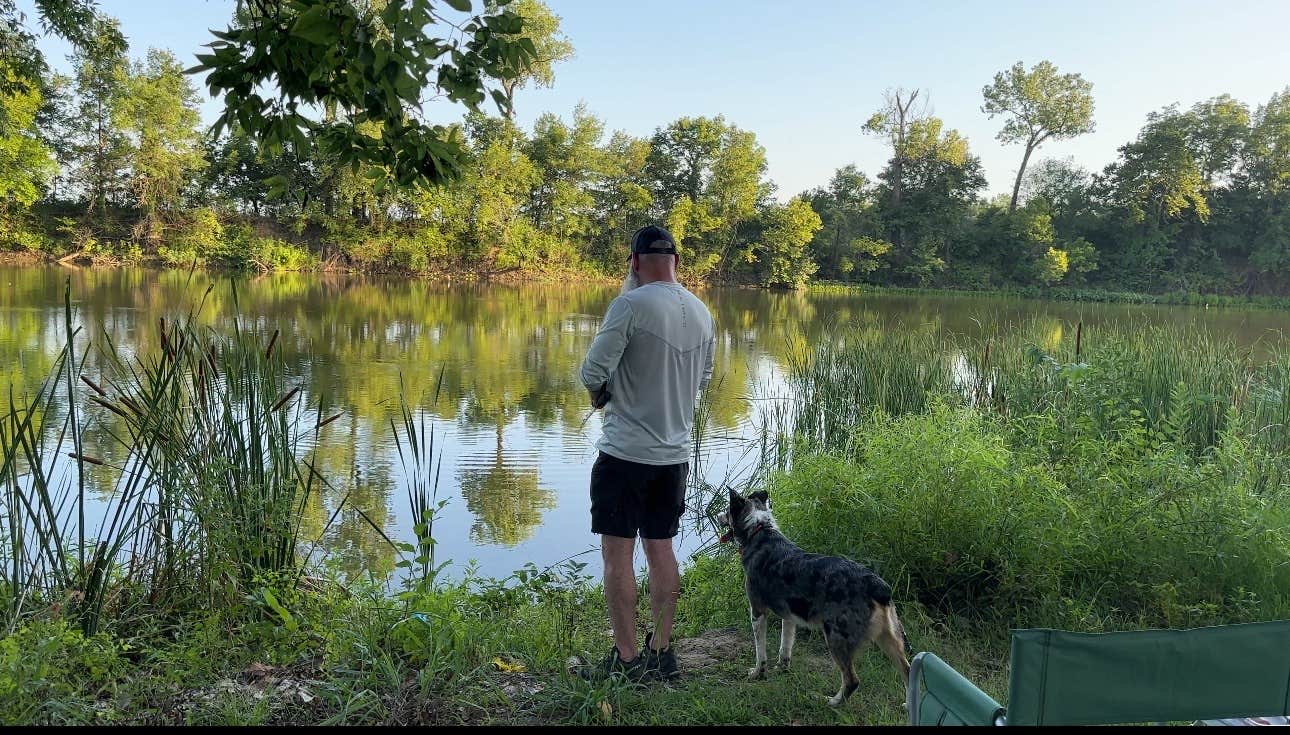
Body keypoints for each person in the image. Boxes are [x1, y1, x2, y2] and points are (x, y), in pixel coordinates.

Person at [577, 224, 716, 682]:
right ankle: (662, 653)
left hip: (624, 455)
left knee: (617, 556)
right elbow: (702, 381)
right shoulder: (703, 312)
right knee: (662, 548)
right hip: (673, 458)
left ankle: (627, 659)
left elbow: (592, 372)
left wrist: (602, 395)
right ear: (676, 262)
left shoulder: (630, 304)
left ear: (635, 262)